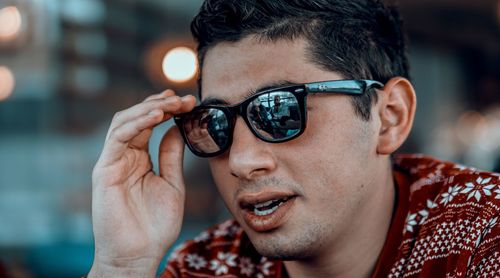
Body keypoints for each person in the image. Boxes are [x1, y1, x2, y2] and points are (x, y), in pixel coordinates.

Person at [88, 0, 500, 277]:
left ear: (389, 116)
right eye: (215, 123)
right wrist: (121, 266)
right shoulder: (210, 266)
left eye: (279, 111)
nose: (241, 161)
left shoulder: (483, 236)